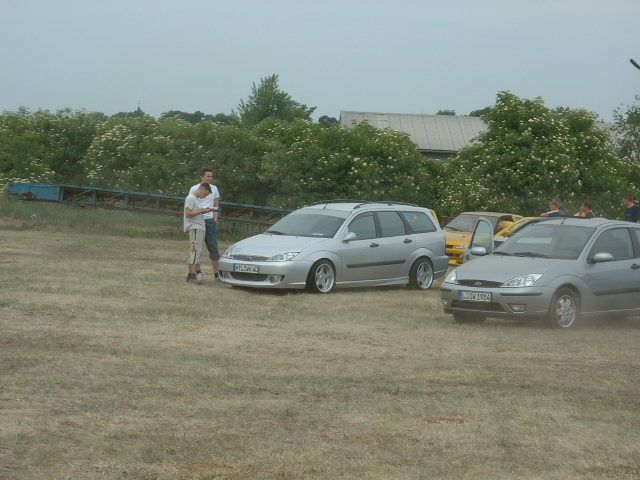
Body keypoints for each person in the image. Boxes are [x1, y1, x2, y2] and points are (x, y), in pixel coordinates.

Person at [189, 168, 221, 280]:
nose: (210, 178)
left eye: (212, 176)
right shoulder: (194, 189)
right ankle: (198, 272)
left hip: (209, 221)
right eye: (208, 176)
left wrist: (215, 218)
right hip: (198, 220)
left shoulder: (214, 188)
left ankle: (217, 275)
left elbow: (216, 204)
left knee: (214, 248)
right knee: (197, 248)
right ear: (202, 177)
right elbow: (191, 205)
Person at [184, 183, 214, 284]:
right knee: (196, 252)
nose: (205, 196)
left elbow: (194, 212)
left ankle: (191, 275)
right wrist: (202, 211)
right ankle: (192, 276)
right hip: (195, 227)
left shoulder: (196, 199)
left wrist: (203, 211)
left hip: (199, 227)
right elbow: (188, 214)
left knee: (195, 251)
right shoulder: (191, 198)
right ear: (202, 189)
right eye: (205, 194)